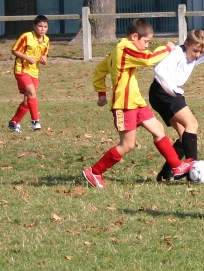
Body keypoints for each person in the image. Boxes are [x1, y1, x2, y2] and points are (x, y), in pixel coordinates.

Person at [82, 19, 194, 188]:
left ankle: (177, 166)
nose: (146, 46)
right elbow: (148, 59)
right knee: (127, 144)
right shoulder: (124, 49)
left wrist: (101, 92)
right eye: (146, 41)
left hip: (136, 102)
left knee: (158, 130)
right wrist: (167, 49)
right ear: (134, 36)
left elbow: (100, 70)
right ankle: (95, 172)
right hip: (124, 105)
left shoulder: (119, 49)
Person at [149, 24, 204, 181]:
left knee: (184, 134)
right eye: (195, 51)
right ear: (186, 44)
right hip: (163, 93)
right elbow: (159, 71)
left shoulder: (192, 55)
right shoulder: (177, 53)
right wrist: (175, 92)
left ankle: (166, 174)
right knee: (192, 125)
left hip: (166, 94)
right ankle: (194, 170)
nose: (198, 55)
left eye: (200, 52)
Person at [8, 15, 50, 133]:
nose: (42, 29)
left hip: (34, 71)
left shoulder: (46, 40)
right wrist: (26, 57)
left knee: (28, 101)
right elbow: (14, 50)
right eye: (40, 26)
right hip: (21, 69)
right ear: (34, 26)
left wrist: (44, 60)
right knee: (32, 92)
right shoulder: (26, 37)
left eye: (45, 27)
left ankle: (14, 122)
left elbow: (44, 55)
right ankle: (35, 121)